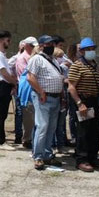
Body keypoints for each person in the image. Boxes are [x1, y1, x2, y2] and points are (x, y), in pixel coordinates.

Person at [26, 35, 65, 169]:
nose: (51, 46)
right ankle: (38, 156)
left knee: (51, 128)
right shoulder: (37, 59)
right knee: (42, 126)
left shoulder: (53, 60)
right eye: (48, 44)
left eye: (52, 43)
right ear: (41, 46)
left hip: (55, 98)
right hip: (43, 97)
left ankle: (47, 154)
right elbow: (30, 78)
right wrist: (41, 91)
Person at [68, 37, 99, 172]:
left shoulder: (95, 65)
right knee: (83, 131)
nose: (91, 51)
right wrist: (79, 103)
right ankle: (82, 159)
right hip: (84, 100)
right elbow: (71, 87)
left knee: (95, 130)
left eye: (92, 49)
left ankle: (93, 157)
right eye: (88, 49)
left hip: (95, 101)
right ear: (82, 51)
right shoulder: (77, 66)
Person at [0, 31, 19, 149]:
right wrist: (14, 82)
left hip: (4, 85)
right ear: (2, 40)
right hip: (1, 85)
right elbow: (4, 73)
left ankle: (1, 139)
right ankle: (1, 141)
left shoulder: (1, 54)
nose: (9, 43)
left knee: (3, 114)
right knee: (2, 114)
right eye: (8, 40)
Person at [13, 37, 37, 146]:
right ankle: (27, 139)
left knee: (34, 116)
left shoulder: (34, 57)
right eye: (32, 46)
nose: (34, 48)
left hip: (35, 89)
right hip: (27, 90)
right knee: (28, 116)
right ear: (27, 46)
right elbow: (26, 74)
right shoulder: (21, 58)